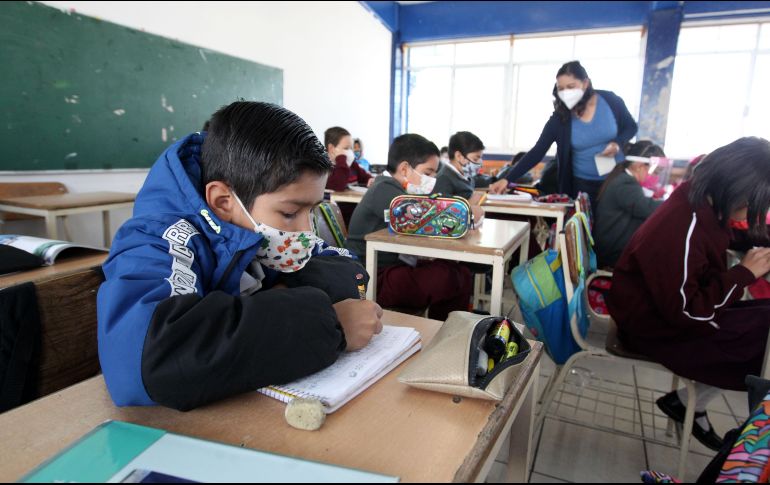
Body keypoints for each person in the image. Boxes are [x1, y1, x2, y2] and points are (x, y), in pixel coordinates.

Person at [97, 102, 383, 411]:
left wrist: (281, 298)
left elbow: (346, 267)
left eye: (312, 211)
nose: (306, 230)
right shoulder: (155, 239)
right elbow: (150, 361)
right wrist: (331, 325)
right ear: (222, 201)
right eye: (290, 212)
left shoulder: (266, 223)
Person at [608, 137, 770, 451]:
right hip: (653, 328)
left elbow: (729, 233)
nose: (750, 212)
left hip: (669, 311)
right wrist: (744, 273)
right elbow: (688, 313)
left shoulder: (700, 202)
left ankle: (686, 403)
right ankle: (750, 445)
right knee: (762, 344)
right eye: (751, 204)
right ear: (734, 189)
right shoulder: (683, 226)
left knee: (764, 318)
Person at [345, 134, 473, 320]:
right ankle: (443, 331)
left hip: (395, 266)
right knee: (447, 278)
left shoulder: (400, 191)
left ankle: (447, 329)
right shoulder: (385, 190)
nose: (433, 180)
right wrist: (465, 212)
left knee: (460, 273)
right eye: (428, 173)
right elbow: (427, 220)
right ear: (405, 168)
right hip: (370, 278)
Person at [490, 60, 638, 204]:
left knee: (612, 225)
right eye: (561, 88)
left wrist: (617, 143)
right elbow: (537, 151)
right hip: (582, 185)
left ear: (585, 83)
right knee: (584, 226)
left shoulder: (610, 101)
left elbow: (631, 127)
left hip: (614, 179)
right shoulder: (560, 118)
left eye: (571, 86)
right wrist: (507, 179)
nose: (566, 92)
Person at [594, 141, 665, 268]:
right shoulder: (625, 184)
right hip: (613, 253)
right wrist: (671, 203)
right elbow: (646, 208)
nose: (655, 177)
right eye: (655, 172)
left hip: (613, 245)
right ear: (639, 166)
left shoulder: (623, 179)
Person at [324, 127, 373, 191]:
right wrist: (341, 158)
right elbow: (338, 186)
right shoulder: (324, 169)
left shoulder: (352, 165)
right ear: (331, 148)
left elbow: (364, 177)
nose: (350, 152)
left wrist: (370, 180)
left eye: (351, 148)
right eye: (346, 148)